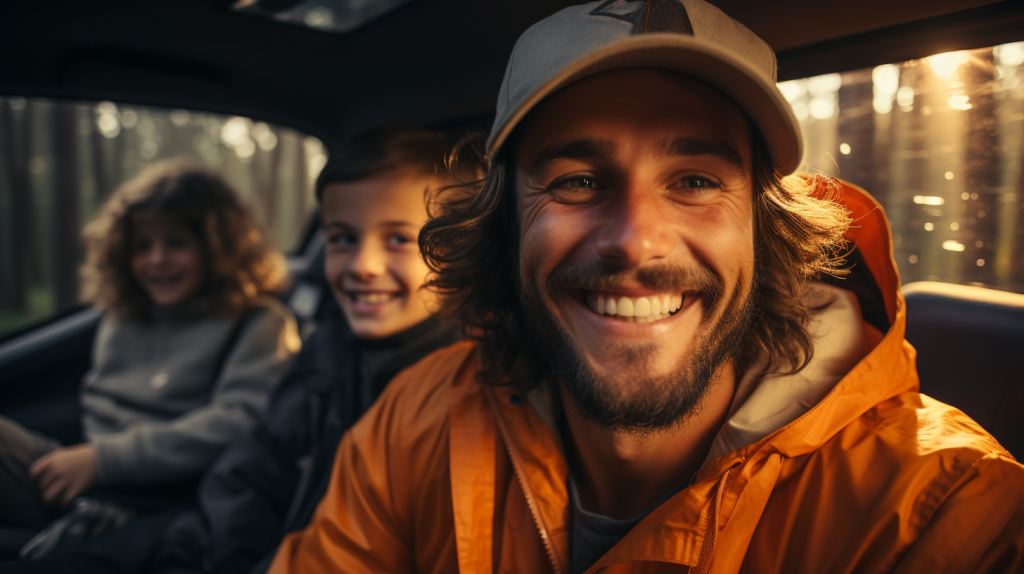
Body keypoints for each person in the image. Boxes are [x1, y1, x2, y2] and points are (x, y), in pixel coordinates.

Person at [266, 1, 1024, 573]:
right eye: (578, 180)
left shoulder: (942, 509)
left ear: (768, 233)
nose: (635, 237)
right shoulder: (417, 420)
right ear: (504, 227)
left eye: (695, 180)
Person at [124, 126, 462, 574]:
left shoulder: (464, 388)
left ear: (462, 252)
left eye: (399, 239)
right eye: (342, 238)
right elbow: (248, 478)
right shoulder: (327, 352)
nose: (363, 266)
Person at [0, 160, 300, 562]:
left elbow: (239, 421)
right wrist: (91, 461)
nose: (156, 259)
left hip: (159, 499)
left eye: (176, 243)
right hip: (90, 473)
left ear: (217, 248)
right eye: (142, 246)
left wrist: (106, 461)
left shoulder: (259, 322)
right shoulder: (123, 317)